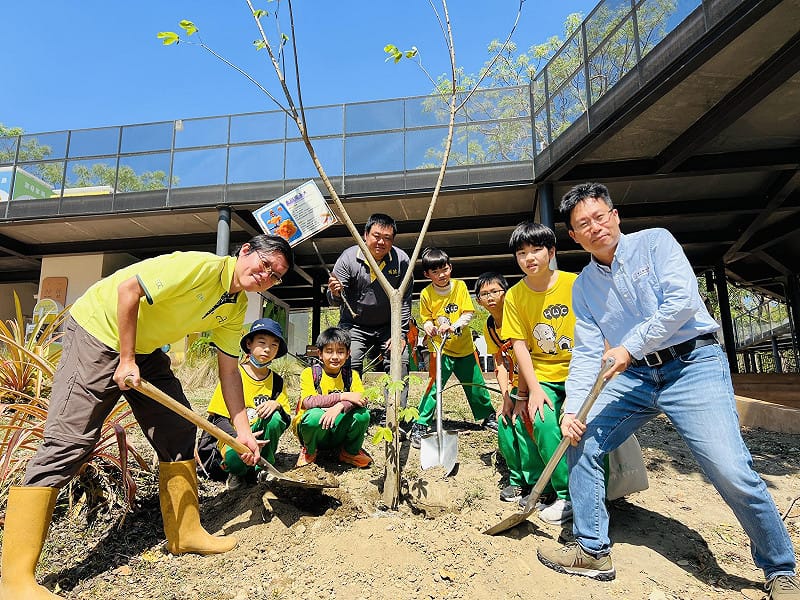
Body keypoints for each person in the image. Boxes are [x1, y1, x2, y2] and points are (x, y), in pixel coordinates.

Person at [537, 183, 799, 599]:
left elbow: (680, 303)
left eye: (600, 217)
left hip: (692, 364)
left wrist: (629, 346)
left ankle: (780, 569)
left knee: (730, 468)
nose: (594, 227)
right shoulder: (584, 285)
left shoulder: (655, 244)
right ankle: (591, 550)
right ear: (573, 236)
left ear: (615, 216)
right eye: (583, 224)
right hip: (636, 376)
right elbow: (587, 351)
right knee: (580, 436)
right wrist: (572, 407)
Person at [0, 234, 293, 600]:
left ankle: (184, 532)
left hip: (143, 347)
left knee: (178, 429)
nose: (266, 275)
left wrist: (243, 431)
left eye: (276, 275)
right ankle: (15, 580)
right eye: (265, 264)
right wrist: (125, 360)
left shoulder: (235, 308)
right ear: (245, 251)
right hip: (97, 332)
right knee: (68, 443)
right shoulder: (199, 267)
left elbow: (230, 372)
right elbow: (128, 290)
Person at [500, 223, 577, 525]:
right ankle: (566, 494)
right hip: (542, 373)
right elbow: (520, 348)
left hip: (579, 371)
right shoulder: (515, 296)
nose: (529, 258)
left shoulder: (573, 284)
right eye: (522, 253)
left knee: (584, 428)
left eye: (536, 250)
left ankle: (598, 493)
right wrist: (532, 390)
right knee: (542, 421)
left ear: (551, 252)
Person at [409, 247, 497, 449]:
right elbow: (427, 318)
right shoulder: (426, 294)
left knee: (475, 384)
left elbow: (467, 313)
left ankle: (488, 416)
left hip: (464, 347)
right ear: (427, 274)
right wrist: (430, 327)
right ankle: (421, 423)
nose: (441, 275)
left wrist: (454, 326)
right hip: (441, 350)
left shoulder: (460, 287)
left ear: (450, 267)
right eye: (435, 272)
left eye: (444, 269)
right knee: (434, 387)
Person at [326, 213, 413, 412]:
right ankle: (349, 409)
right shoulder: (348, 258)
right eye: (376, 236)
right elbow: (334, 301)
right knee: (348, 359)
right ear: (365, 235)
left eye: (387, 238)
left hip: (389, 325)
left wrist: (400, 333)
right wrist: (334, 291)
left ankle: (394, 413)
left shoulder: (402, 261)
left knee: (400, 359)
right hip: (354, 325)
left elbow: (405, 300)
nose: (381, 242)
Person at [196, 318, 291, 491]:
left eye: (274, 345)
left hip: (261, 440)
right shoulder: (233, 376)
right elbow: (218, 420)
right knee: (236, 459)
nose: (267, 349)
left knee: (275, 418)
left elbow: (286, 419)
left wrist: (276, 405)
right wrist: (240, 440)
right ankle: (237, 473)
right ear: (249, 344)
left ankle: (263, 468)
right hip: (235, 440)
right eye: (262, 342)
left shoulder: (277, 382)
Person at [293, 327, 373, 469]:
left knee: (363, 414)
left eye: (341, 351)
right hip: (314, 430)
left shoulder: (352, 375)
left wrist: (339, 406)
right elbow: (309, 401)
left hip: (337, 430)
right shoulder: (310, 373)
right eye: (329, 351)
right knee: (314, 416)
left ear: (348, 354)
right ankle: (309, 451)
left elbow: (362, 399)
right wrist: (343, 396)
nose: (335, 356)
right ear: (320, 354)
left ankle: (349, 452)